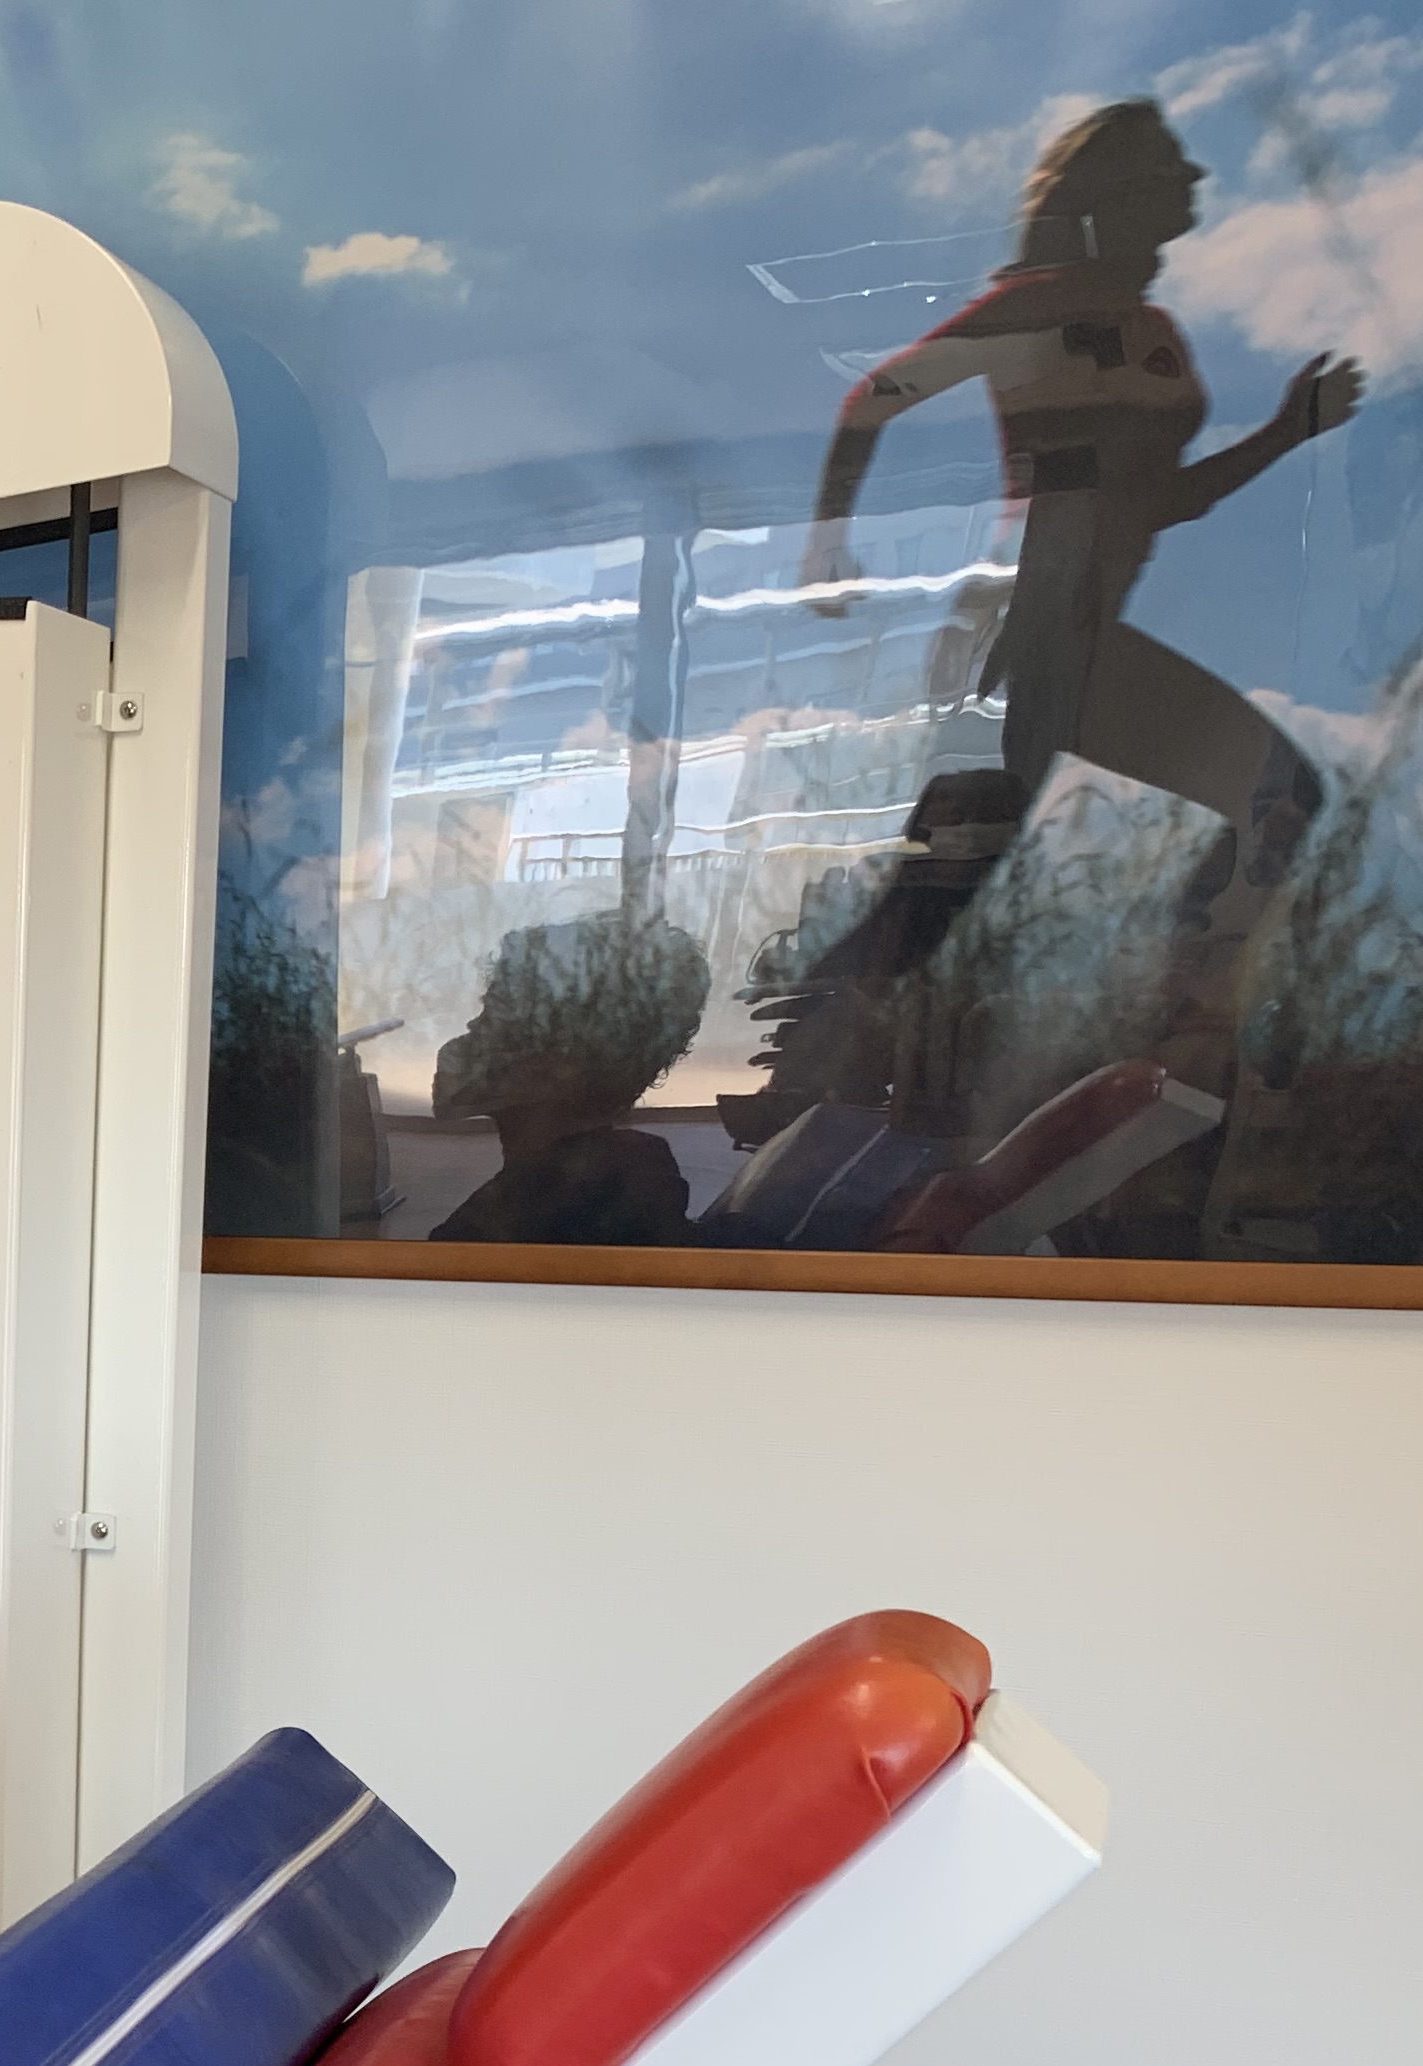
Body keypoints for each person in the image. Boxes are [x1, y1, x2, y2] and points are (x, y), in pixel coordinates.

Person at [801, 98, 1362, 1088]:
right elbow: (875, 397)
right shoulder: (1045, 302)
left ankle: (1169, 1025)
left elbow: (1157, 501)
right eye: (1172, 165)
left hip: (1076, 622)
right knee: (958, 877)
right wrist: (827, 541)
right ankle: (1173, 1025)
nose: (1195, 179)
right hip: (1033, 618)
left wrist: (1287, 433)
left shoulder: (1144, 326)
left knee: (958, 879)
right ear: (1119, 192)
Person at [427, 912, 714, 1245]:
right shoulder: (629, 1175)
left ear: (560, 1060)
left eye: (495, 1017)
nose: (472, 1030)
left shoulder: (502, 1230)